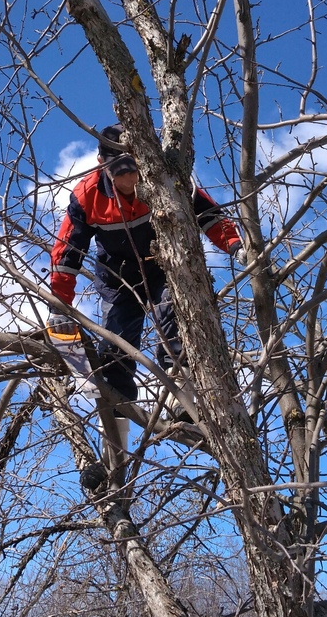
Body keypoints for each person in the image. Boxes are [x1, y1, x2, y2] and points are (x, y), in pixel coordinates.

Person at [47, 124, 245, 413]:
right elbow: (67, 252)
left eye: (133, 171)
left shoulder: (166, 180)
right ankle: (118, 406)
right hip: (118, 277)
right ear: (102, 164)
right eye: (120, 173)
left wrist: (236, 245)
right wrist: (59, 305)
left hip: (165, 266)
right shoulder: (87, 196)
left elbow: (209, 214)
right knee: (117, 339)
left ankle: (182, 400)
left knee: (176, 317)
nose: (128, 181)